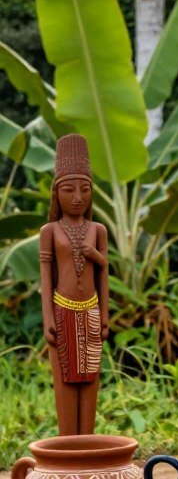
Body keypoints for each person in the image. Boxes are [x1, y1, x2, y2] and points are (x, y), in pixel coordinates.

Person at [38, 134, 109, 436]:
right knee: (65, 379)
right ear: (57, 194)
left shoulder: (98, 230)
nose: (78, 197)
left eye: (85, 190)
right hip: (62, 310)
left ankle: (88, 442)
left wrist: (105, 315)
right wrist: (48, 319)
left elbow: (103, 275)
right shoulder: (50, 231)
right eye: (69, 190)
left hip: (91, 312)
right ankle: (68, 445)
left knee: (90, 378)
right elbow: (46, 276)